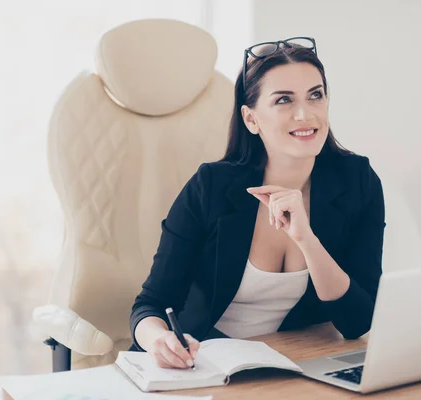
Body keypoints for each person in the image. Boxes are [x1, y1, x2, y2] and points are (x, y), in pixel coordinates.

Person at [129, 37, 386, 369]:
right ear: (251, 119)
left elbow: (357, 322)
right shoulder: (211, 186)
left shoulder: (358, 182)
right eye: (283, 100)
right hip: (200, 365)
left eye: (316, 95)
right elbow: (150, 305)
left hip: (290, 366)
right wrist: (159, 341)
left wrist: (307, 240)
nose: (305, 113)